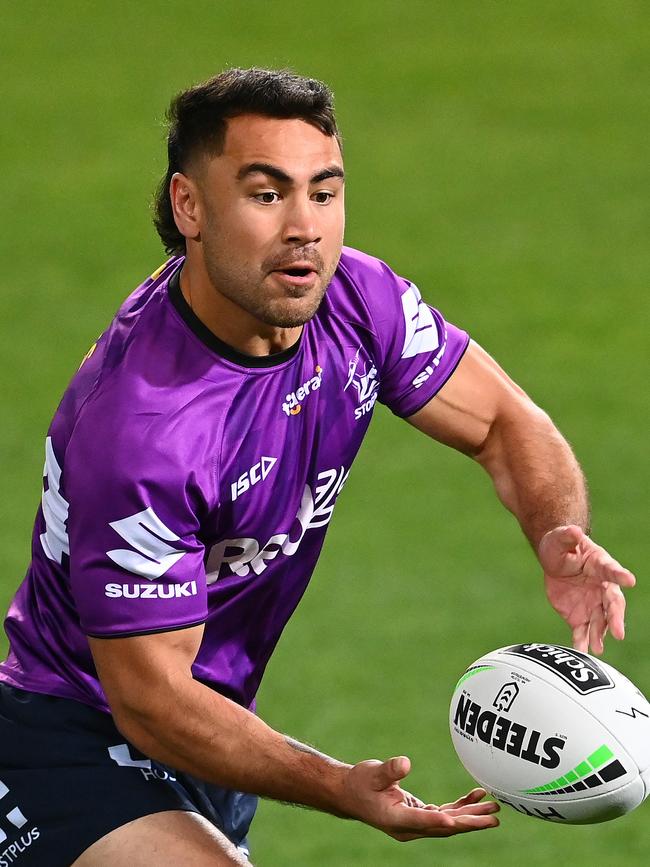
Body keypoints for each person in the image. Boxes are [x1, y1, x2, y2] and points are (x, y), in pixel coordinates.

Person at [0, 67, 635, 866]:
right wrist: (341, 787)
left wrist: (557, 529)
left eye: (324, 193)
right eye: (266, 195)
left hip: (215, 729)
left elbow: (506, 422)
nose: (305, 227)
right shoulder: (147, 428)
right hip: (70, 736)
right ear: (189, 206)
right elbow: (150, 701)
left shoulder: (354, 299)